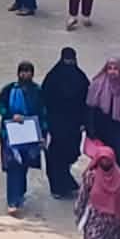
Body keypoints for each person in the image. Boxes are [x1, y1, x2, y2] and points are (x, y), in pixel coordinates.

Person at [0, 60, 46, 214]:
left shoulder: (38, 91)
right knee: (13, 167)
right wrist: (11, 115)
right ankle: (12, 201)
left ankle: (20, 194)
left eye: (28, 71)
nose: (25, 74)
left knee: (23, 166)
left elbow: (43, 113)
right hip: (10, 135)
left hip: (29, 136)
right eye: (22, 71)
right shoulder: (9, 90)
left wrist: (43, 135)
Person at [41, 47, 90, 198]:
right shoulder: (52, 77)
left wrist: (84, 121)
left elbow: (87, 100)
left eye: (71, 60)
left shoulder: (80, 77)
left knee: (71, 153)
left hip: (74, 125)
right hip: (56, 125)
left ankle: (66, 181)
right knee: (56, 155)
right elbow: (44, 100)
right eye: (66, 60)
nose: (69, 63)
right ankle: (57, 187)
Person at [85, 57, 120, 173]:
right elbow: (90, 108)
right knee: (103, 160)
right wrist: (90, 131)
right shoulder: (97, 84)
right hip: (101, 128)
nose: (112, 71)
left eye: (115, 68)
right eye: (109, 68)